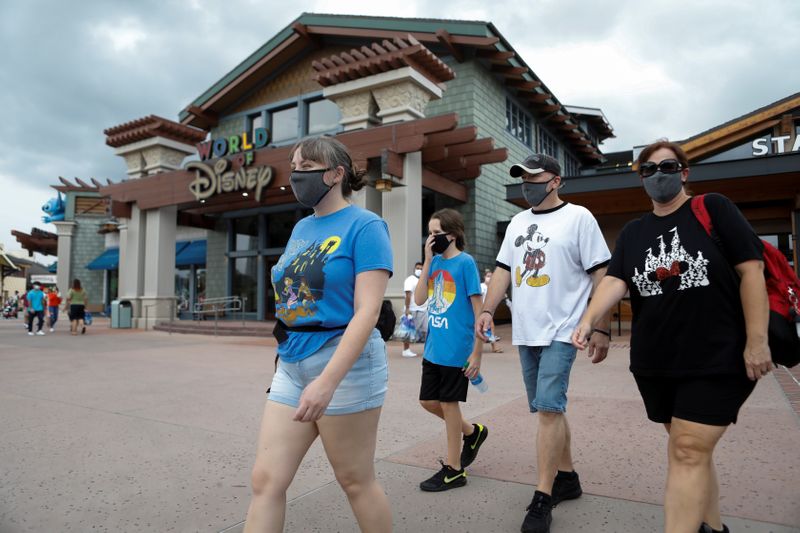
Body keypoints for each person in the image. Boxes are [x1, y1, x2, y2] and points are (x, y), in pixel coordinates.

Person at [571, 140, 770, 533]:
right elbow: (615, 280)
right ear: (641, 178)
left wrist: (757, 340)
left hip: (718, 355)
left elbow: (751, 272)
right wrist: (590, 317)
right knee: (690, 449)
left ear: (684, 172)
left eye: (667, 166)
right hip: (658, 360)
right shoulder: (634, 231)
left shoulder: (713, 209)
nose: (658, 175)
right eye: (648, 169)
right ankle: (712, 526)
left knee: (687, 448)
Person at [244, 136, 393, 533]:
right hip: (292, 363)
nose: (295, 176)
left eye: (305, 168)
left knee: (355, 481)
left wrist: (328, 382)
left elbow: (369, 310)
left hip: (345, 363)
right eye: (293, 167)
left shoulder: (367, 226)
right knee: (266, 480)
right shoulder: (302, 227)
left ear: (335, 174)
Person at [477, 153, 611, 533]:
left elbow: (602, 273)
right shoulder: (518, 222)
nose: (526, 184)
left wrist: (598, 325)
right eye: (522, 178)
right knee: (547, 407)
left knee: (549, 409)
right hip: (526, 330)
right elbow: (503, 270)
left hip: (564, 330)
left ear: (555, 181)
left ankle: (542, 496)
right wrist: (487, 311)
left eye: (534, 178)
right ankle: (567, 476)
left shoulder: (579, 217)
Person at [414, 208, 489, 492]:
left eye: (437, 234)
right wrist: (427, 260)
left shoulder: (465, 263)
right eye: (429, 233)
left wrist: (477, 352)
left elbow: (479, 312)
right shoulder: (433, 265)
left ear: (453, 234)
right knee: (427, 402)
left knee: (448, 404)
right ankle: (472, 432)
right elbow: (421, 299)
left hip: (457, 349)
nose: (432, 239)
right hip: (434, 348)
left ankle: (454, 470)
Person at [402, 261, 427, 357]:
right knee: (408, 330)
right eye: (418, 268)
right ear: (414, 269)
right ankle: (406, 350)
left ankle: (427, 350)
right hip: (412, 309)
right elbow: (408, 295)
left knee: (427, 330)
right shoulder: (410, 280)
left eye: (421, 268)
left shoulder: (424, 280)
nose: (419, 270)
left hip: (424, 309)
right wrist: (407, 309)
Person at [480, 269, 503, 353]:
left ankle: (493, 345)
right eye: (488, 276)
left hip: (487, 312)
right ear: (484, 277)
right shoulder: (481, 286)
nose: (489, 278)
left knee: (489, 327)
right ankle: (494, 346)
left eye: (491, 277)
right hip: (481, 311)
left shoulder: (492, 287)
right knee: (490, 326)